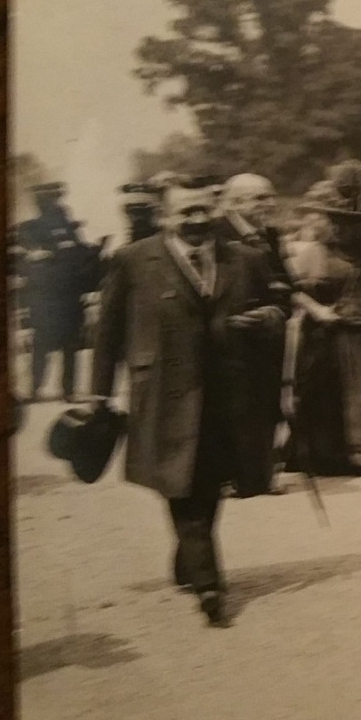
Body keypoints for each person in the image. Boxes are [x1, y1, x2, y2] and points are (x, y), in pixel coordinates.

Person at [89, 179, 289, 626]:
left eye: (202, 210)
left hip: (227, 395)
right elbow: (107, 334)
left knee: (210, 480)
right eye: (185, 213)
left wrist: (268, 318)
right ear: (165, 216)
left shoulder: (246, 258)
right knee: (182, 481)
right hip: (164, 391)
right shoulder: (135, 261)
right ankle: (209, 586)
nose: (196, 220)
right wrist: (98, 393)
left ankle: (189, 559)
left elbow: (280, 305)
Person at [286, 181, 361, 477]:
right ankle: (330, 455)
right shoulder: (316, 252)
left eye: (357, 224)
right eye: (341, 222)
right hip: (330, 334)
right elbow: (291, 290)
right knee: (330, 396)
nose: (348, 229)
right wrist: (319, 311)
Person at [213, 172, 290, 493]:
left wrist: (275, 308)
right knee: (229, 405)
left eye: (270, 197)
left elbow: (285, 283)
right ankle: (228, 476)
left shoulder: (270, 235)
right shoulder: (215, 234)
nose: (269, 204)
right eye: (261, 198)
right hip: (226, 335)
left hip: (265, 332)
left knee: (265, 400)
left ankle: (260, 475)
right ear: (234, 203)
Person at [16, 182, 101, 402]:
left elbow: (81, 258)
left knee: (68, 345)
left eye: (54, 199)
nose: (53, 203)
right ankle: (36, 389)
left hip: (67, 296)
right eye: (49, 199)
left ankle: (67, 390)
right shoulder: (31, 228)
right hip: (46, 298)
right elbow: (28, 259)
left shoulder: (69, 226)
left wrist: (95, 252)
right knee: (42, 345)